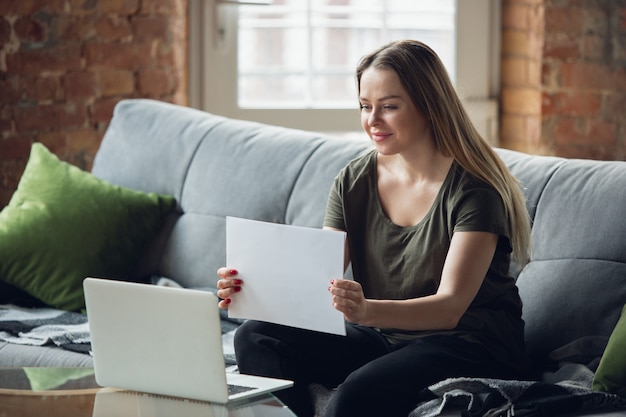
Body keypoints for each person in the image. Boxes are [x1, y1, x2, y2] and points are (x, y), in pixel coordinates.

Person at [216, 39, 532, 417]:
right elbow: (317, 279)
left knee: (355, 398)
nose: (372, 120)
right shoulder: (354, 180)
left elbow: (449, 309)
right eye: (366, 106)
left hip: (469, 342)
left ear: (429, 107)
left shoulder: (474, 191)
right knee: (255, 335)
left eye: (390, 107)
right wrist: (253, 287)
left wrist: (365, 312)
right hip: (385, 335)